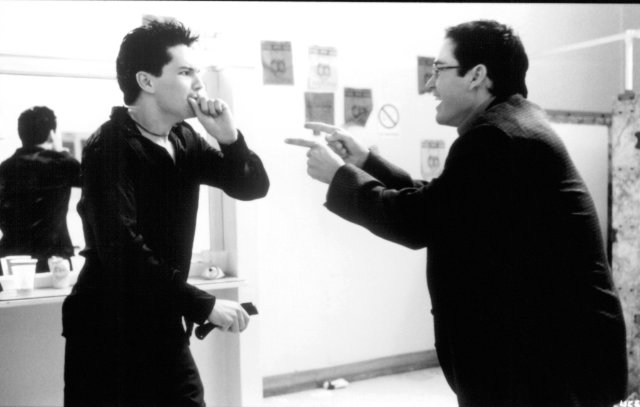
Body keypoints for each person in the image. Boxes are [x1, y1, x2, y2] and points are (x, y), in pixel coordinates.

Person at [286, 20, 627, 407]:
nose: (429, 83)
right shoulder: (512, 126)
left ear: (477, 75)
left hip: (548, 368)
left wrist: (339, 176)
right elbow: (445, 206)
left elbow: (418, 221)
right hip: (549, 358)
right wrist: (365, 162)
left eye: (438, 69)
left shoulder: (497, 137)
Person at [62, 20, 269, 407]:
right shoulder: (110, 146)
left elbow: (252, 187)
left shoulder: (184, 139)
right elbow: (122, 249)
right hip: (106, 330)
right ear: (146, 80)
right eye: (186, 72)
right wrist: (202, 303)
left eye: (197, 73)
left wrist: (229, 138)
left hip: (161, 319)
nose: (199, 85)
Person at [0, 106, 80, 274]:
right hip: (54, 260)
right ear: (52, 134)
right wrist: (62, 153)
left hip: (10, 259)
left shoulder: (4, 169)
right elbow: (95, 182)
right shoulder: (61, 165)